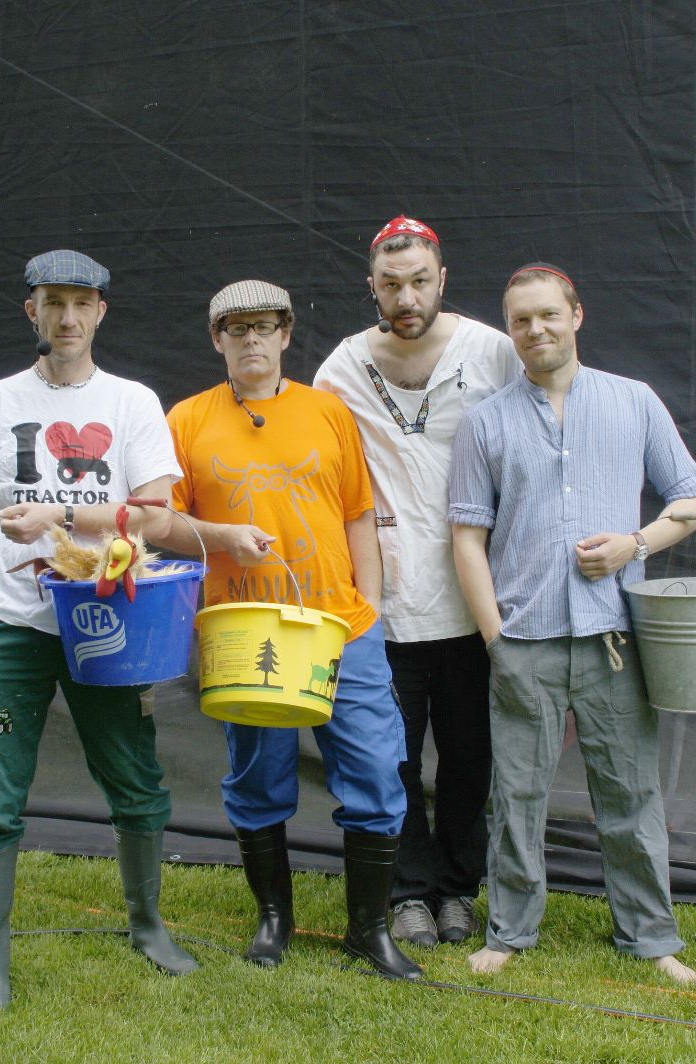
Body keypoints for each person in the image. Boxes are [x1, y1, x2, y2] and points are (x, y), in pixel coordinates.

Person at [0, 250, 194, 1014]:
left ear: (101, 312)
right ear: (33, 310)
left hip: (107, 618)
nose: (68, 317)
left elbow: (154, 517)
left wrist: (62, 515)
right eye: (54, 302)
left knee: (135, 777)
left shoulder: (131, 403)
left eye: (83, 303)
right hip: (9, 626)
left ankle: (148, 925)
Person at [448, 265, 696, 984]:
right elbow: (467, 539)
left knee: (629, 793)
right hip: (523, 640)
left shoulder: (634, 402)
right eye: (521, 320)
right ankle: (509, 931)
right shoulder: (486, 422)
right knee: (516, 796)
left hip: (614, 639)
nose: (536, 330)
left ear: (577, 316)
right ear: (510, 330)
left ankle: (651, 938)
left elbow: (693, 501)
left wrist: (635, 546)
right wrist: (495, 637)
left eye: (548, 315)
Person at [159, 279, 420, 981]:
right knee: (258, 775)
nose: (251, 339)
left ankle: (369, 929)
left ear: (285, 334)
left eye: (264, 326)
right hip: (245, 626)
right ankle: (274, 919)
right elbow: (163, 523)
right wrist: (222, 537)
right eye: (236, 328)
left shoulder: (328, 412)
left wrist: (370, 604)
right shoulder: (187, 420)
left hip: (341, 626)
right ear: (217, 339)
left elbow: (358, 512)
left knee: (375, 770)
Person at [313, 215, 519, 948]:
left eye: (420, 282)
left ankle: (458, 888)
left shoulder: (492, 353)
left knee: (468, 758)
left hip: (475, 597)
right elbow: (325, 478)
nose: (407, 298)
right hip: (385, 602)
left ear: (442, 279)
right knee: (390, 759)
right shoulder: (341, 369)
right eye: (391, 284)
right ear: (371, 286)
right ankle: (408, 892)